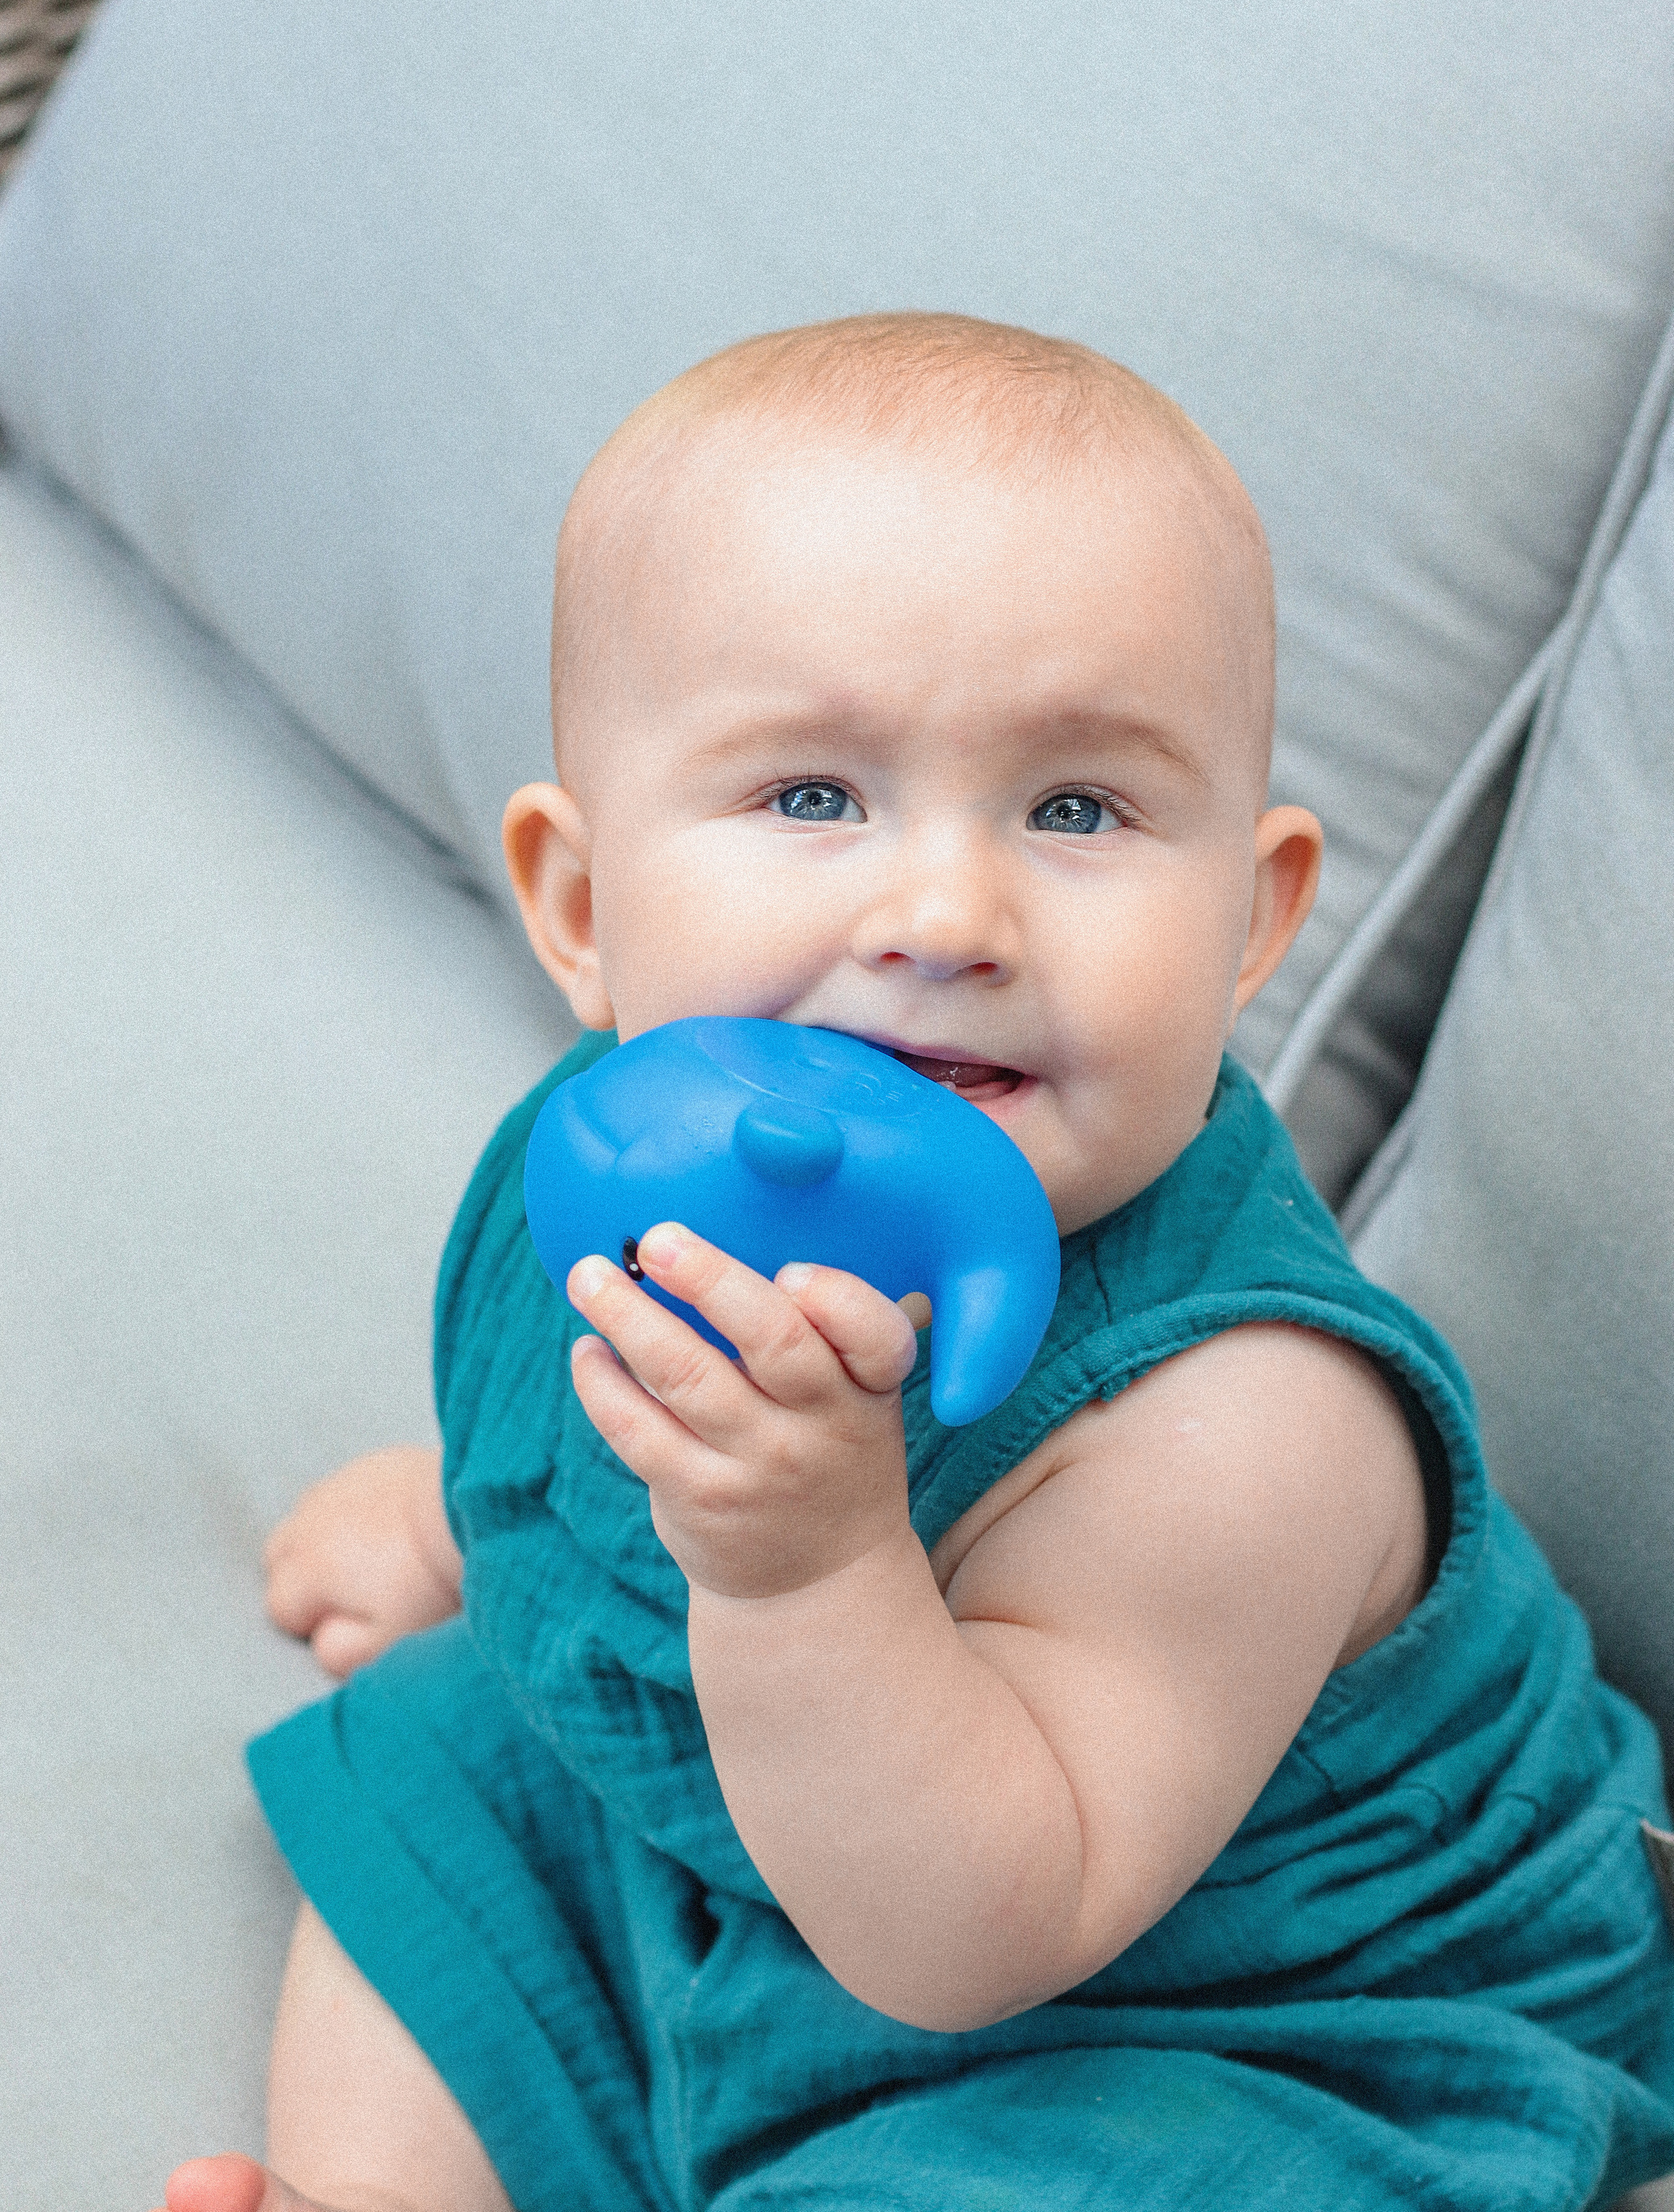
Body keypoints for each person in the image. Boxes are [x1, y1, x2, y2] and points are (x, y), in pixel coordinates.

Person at [161, 315, 1674, 2212]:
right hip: (740, 1842)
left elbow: (975, 1928)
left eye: (1077, 811)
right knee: (440, 1788)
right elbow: (595, 1449)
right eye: (812, 797)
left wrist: (810, 1567)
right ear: (582, 908)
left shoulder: (1244, 1425)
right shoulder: (632, 1168)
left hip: (1196, 2007)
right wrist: (479, 1524)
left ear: (1253, 919)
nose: (947, 913)